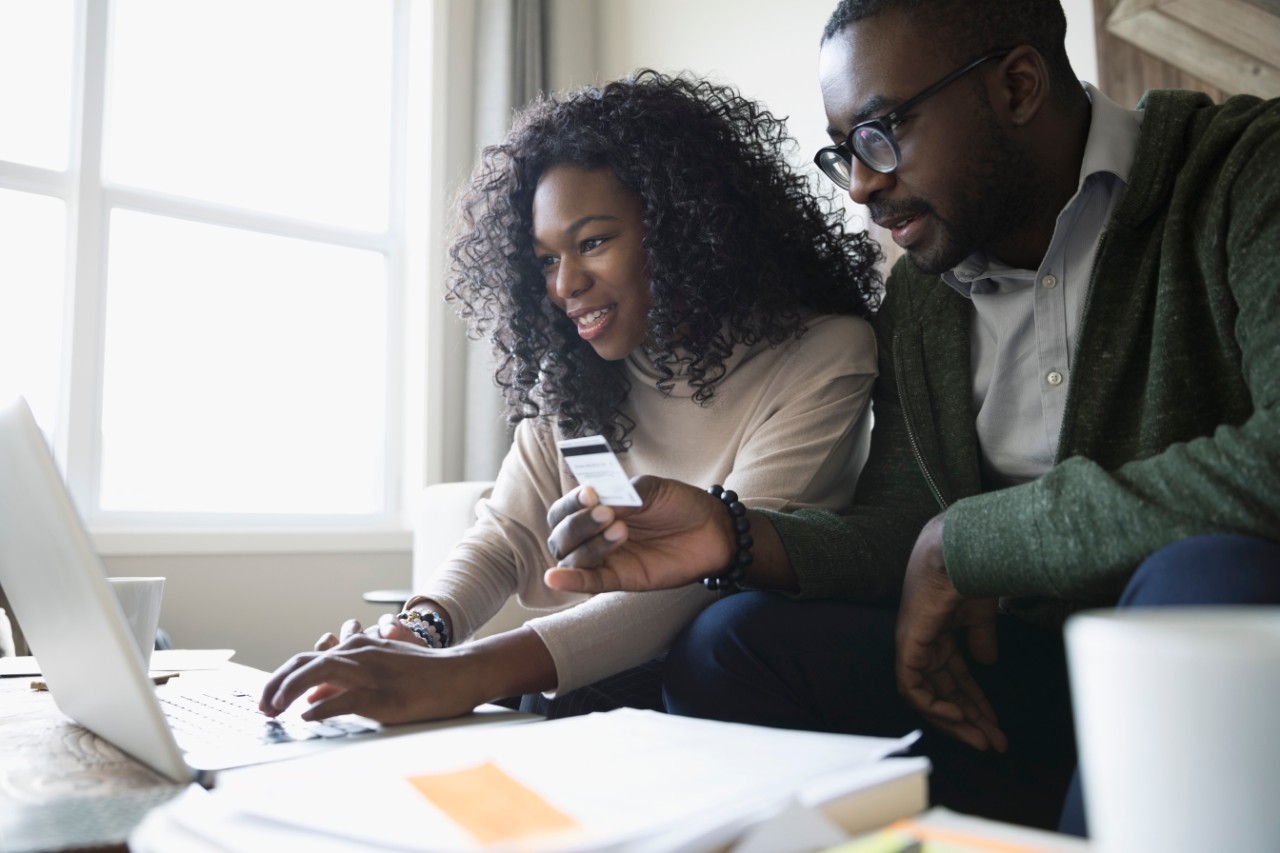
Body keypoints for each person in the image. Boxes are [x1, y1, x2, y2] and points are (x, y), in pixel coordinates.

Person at [542, 0, 1280, 834]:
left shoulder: (1245, 174)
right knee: (729, 641)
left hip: (1199, 679)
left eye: (882, 130)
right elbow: (905, 522)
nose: (861, 183)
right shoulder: (924, 293)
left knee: (1211, 580)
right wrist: (735, 535)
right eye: (844, 151)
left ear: (1018, 86)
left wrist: (968, 541)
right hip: (1011, 694)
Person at [259, 70, 882, 725]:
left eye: (592, 242)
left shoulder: (823, 355)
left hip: (732, 674)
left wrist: (459, 673)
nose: (566, 285)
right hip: (610, 672)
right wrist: (416, 634)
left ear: (687, 229)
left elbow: (708, 574)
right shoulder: (578, 377)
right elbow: (504, 536)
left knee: (546, 688)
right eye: (547, 260)